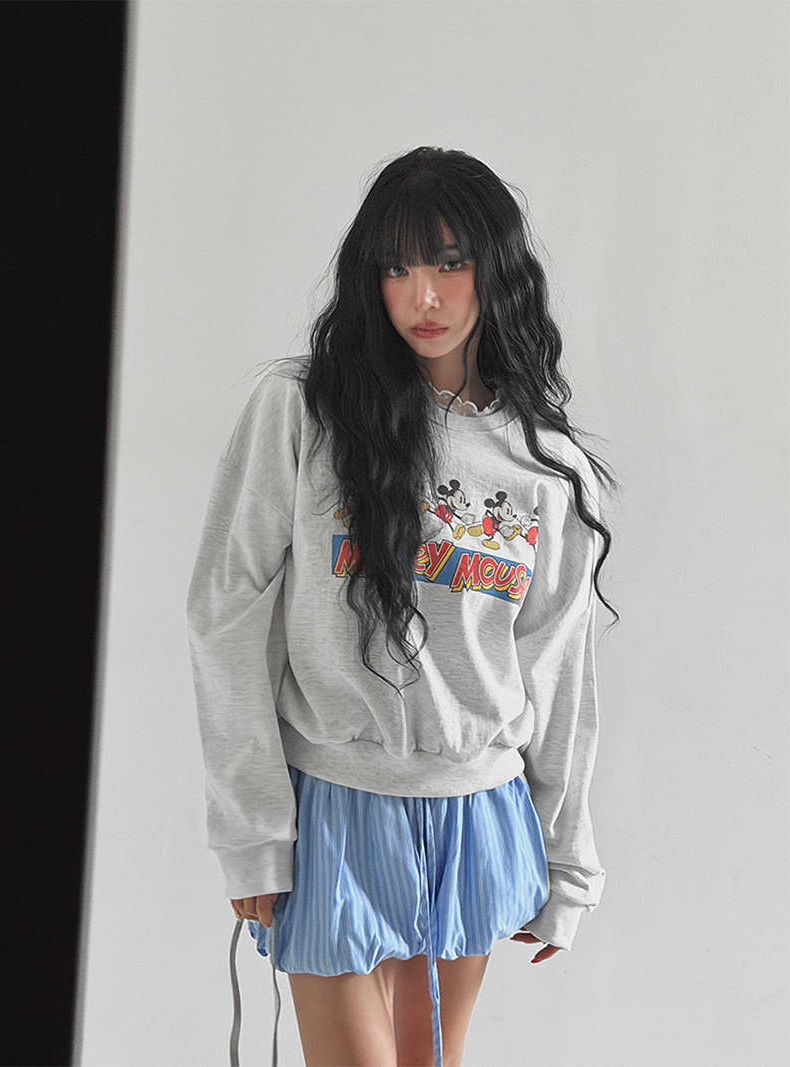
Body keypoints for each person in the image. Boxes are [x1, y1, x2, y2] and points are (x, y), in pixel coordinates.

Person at [186, 146, 615, 1067]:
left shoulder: (548, 467)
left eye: (450, 263)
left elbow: (559, 672)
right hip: (333, 808)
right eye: (396, 267)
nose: (423, 295)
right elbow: (226, 615)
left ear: (496, 269)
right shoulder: (302, 411)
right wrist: (253, 827)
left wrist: (568, 860)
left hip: (479, 815)